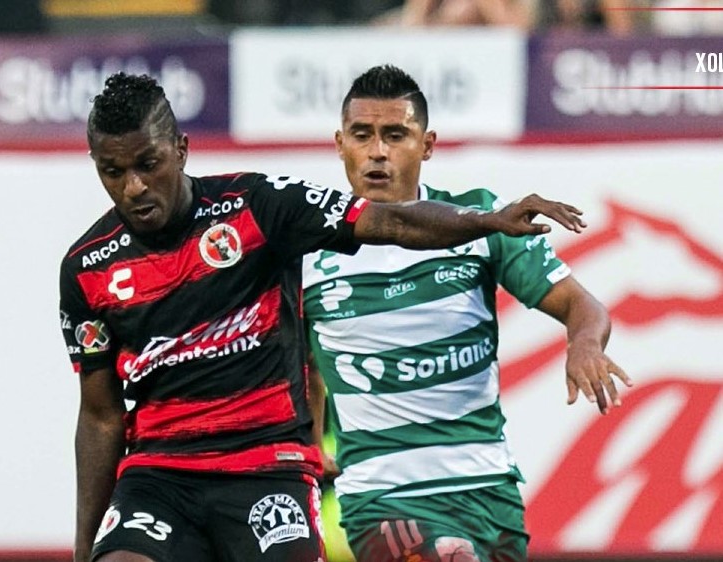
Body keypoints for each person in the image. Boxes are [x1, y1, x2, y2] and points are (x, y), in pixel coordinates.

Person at [58, 71, 586, 562]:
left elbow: (390, 221)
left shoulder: (258, 206)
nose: (133, 187)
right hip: (159, 475)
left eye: (147, 165)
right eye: (113, 171)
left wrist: (485, 221)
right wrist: (86, 547)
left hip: (266, 469)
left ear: (180, 150)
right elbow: (101, 415)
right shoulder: (86, 269)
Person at [301, 64, 632, 562]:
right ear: (339, 143)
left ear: (427, 145)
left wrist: (583, 342)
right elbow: (305, 372)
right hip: (384, 496)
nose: (377, 152)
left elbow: (582, 305)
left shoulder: (480, 220)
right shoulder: (307, 252)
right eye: (361, 135)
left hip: (489, 489)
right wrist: (305, 460)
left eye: (395, 135)